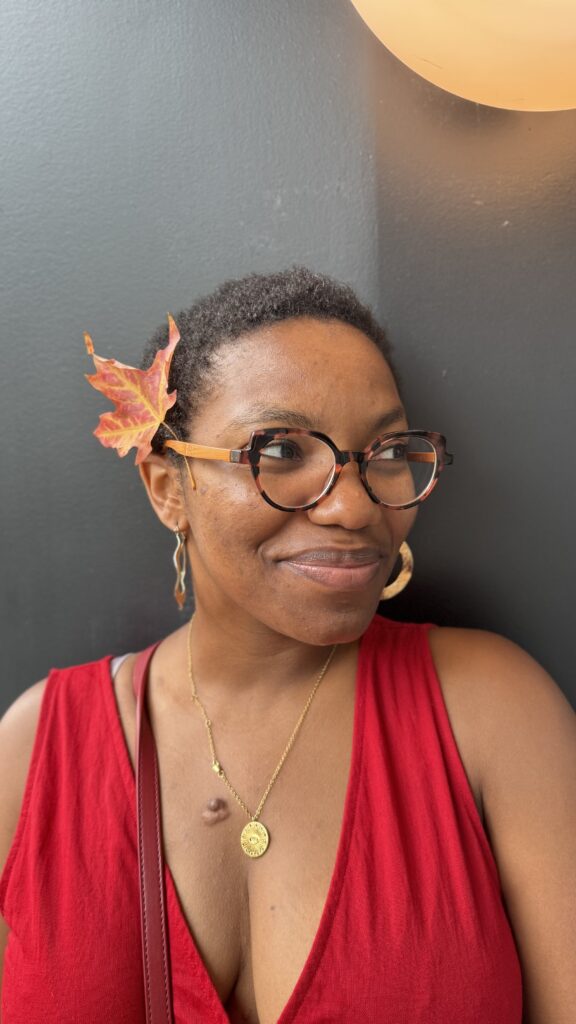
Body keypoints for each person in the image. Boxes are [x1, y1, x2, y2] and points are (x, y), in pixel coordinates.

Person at [0, 267, 574, 1024]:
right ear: (168, 487)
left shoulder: (494, 713)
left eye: (385, 452)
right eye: (278, 452)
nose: (354, 504)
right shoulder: (35, 749)